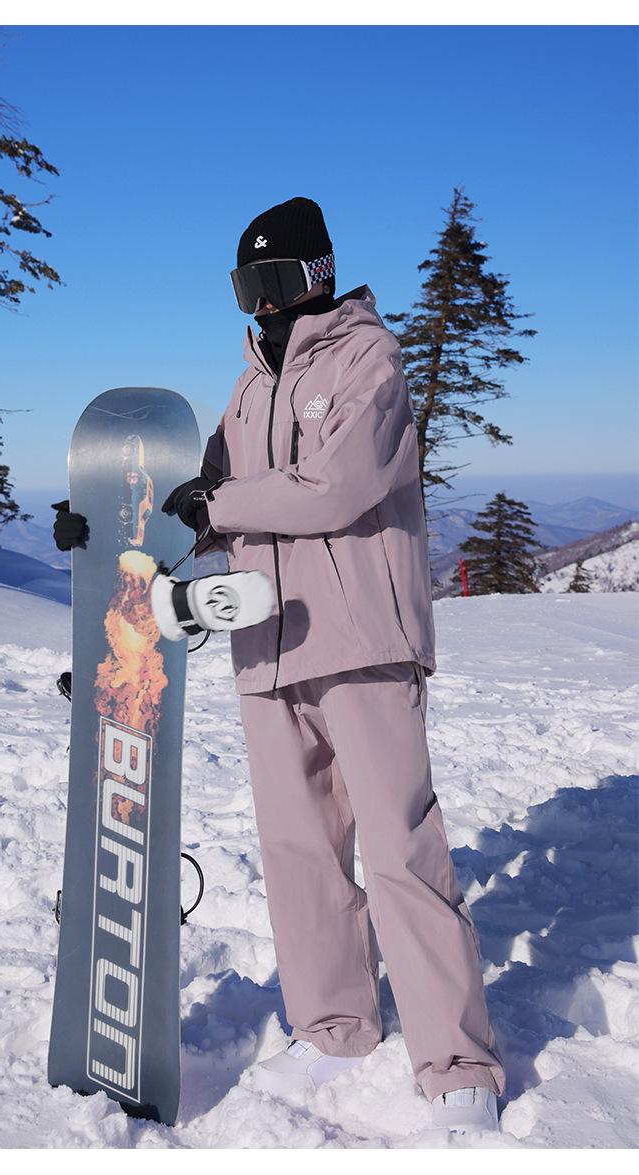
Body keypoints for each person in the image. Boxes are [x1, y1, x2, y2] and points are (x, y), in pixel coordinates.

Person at [53, 196, 505, 1135]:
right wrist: (102, 527)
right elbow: (201, 501)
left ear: (314, 274)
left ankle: (457, 1062)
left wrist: (217, 506)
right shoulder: (248, 386)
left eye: (269, 281)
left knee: (400, 848)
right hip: (268, 640)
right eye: (243, 285)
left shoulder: (369, 362)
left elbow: (336, 488)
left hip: (363, 640)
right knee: (299, 850)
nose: (257, 303)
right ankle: (335, 1025)